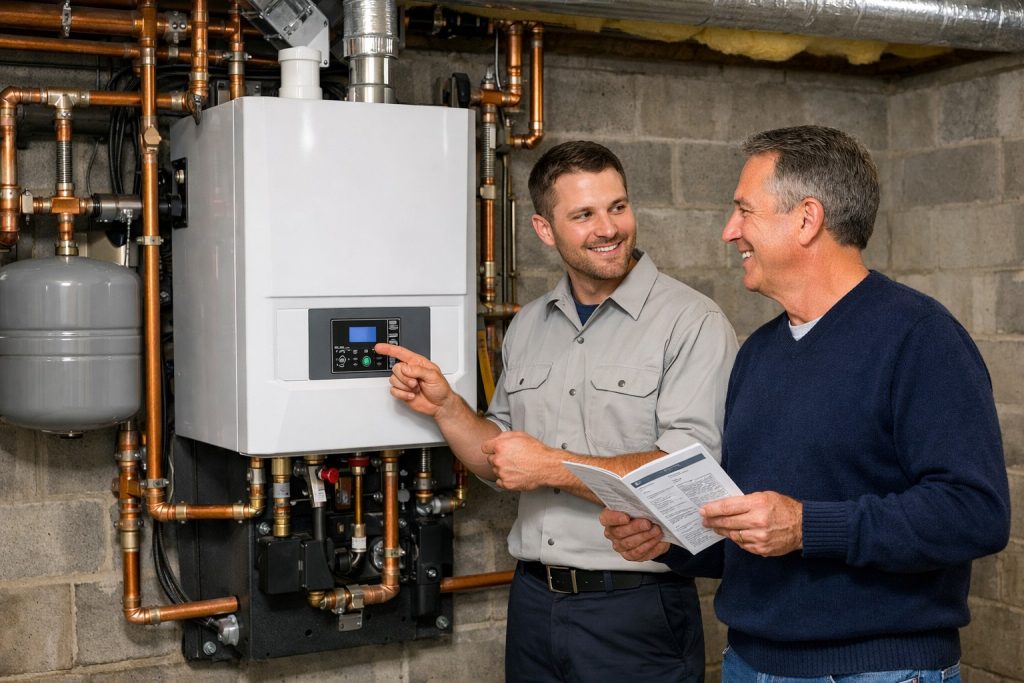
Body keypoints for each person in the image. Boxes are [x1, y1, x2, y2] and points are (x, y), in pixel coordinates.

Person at [601, 125, 1011, 681]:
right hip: (750, 663)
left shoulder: (920, 337)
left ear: (806, 219)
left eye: (744, 211)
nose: (729, 232)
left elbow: (976, 514)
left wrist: (807, 526)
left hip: (874, 671)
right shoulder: (760, 353)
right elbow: (760, 536)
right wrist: (670, 542)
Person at [375, 140, 737, 682]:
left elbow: (682, 478)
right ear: (545, 229)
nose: (609, 228)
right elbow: (502, 458)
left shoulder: (691, 322)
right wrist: (448, 408)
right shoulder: (529, 325)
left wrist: (550, 467)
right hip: (534, 604)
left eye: (617, 207)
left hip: (635, 608)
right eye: (584, 215)